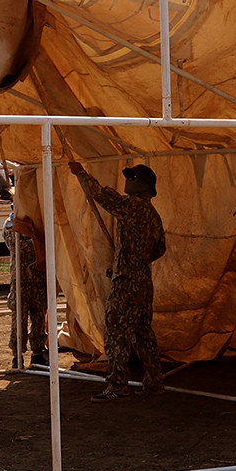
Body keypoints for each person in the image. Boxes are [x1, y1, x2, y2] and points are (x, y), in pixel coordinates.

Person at [69, 161, 167, 399]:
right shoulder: (152, 214)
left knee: (116, 331)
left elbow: (101, 196)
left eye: (132, 178)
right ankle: (154, 381)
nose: (127, 181)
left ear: (143, 186)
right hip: (142, 280)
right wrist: (135, 260)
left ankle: (117, 385)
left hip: (127, 282)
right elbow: (159, 248)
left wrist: (82, 174)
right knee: (143, 331)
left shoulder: (132, 207)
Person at [3, 202, 49, 368]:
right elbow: (18, 247)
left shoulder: (38, 224)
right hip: (21, 281)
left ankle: (37, 353)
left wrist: (35, 237)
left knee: (38, 317)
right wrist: (36, 240)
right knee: (19, 320)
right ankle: (17, 355)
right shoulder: (11, 224)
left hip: (38, 279)